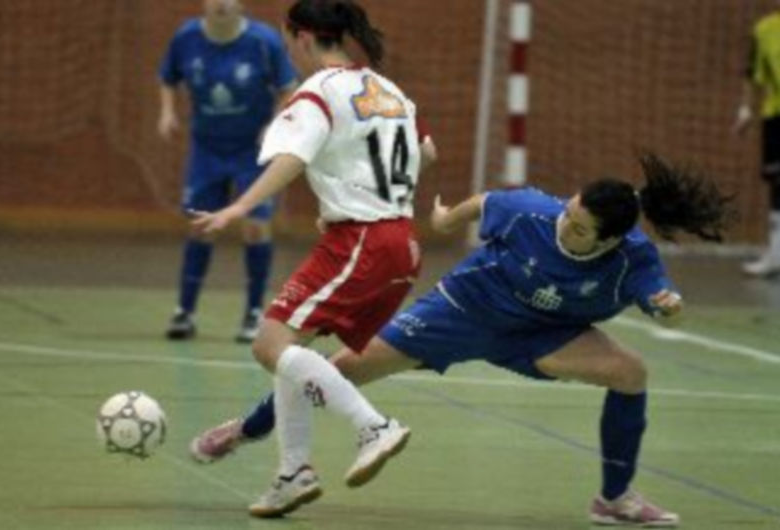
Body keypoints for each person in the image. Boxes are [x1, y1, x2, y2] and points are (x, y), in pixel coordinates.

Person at [191, 152, 736, 526]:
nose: (565, 228)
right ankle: (244, 430)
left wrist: (670, 309)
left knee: (630, 371)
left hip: (546, 336)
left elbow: (665, 304)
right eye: (569, 213)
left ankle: (614, 500)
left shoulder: (633, 259)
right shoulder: (532, 213)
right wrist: (448, 219)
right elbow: (483, 203)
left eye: (579, 229)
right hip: (460, 313)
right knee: (337, 369)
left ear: (611, 239)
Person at [189, 0, 437, 519]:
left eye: (287, 41)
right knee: (290, 350)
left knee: (270, 342)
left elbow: (292, 159)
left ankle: (374, 426)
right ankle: (292, 473)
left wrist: (237, 207)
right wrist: (358, 196)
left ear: (301, 37)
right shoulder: (385, 88)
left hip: (363, 241)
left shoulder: (316, 92)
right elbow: (424, 153)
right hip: (398, 242)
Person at [159, 0, 299, 342]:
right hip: (206, 149)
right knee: (201, 226)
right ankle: (185, 312)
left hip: (252, 150)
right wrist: (167, 112)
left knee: (254, 227)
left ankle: (253, 313)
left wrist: (275, 123)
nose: (221, 3)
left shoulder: (263, 41)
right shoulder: (187, 37)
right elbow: (167, 78)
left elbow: (288, 89)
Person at [734, 2, 780, 277]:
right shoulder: (764, 30)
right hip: (776, 116)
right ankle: (776, 253)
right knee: (776, 182)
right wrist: (745, 109)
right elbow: (753, 74)